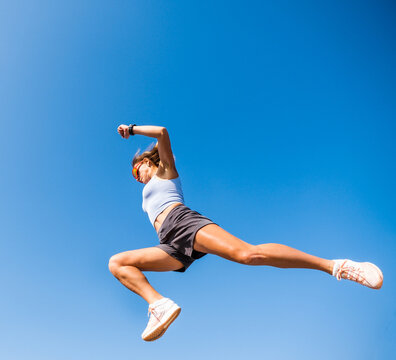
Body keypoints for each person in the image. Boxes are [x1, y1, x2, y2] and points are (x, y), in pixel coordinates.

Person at [109, 124, 384, 342]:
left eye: (137, 169)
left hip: (182, 222)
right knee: (118, 263)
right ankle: (159, 305)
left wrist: (131, 130)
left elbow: (162, 133)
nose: (137, 176)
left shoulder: (166, 171)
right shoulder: (146, 193)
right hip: (169, 242)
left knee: (248, 254)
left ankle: (338, 266)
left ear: (147, 161)